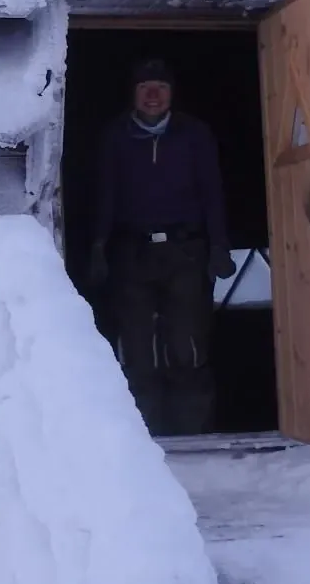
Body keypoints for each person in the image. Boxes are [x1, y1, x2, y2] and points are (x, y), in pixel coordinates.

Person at [88, 58, 236, 436]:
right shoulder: (115, 136)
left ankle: (193, 435)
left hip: (185, 252)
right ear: (133, 94)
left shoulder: (194, 134)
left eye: (161, 87)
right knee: (137, 351)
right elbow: (104, 195)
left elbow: (212, 192)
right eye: (144, 88)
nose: (153, 95)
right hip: (130, 254)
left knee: (187, 347)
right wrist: (99, 246)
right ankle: (144, 439)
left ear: (172, 94)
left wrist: (219, 244)